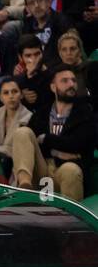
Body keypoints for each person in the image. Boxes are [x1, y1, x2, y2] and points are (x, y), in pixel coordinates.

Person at [11, 67, 93, 200]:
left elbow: (79, 144)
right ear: (53, 87)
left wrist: (45, 139)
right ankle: (24, 185)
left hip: (65, 173)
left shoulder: (85, 113)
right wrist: (58, 151)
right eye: (65, 81)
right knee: (22, 132)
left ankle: (72, 219)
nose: (71, 84)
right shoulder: (42, 113)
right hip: (42, 171)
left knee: (70, 169)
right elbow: (31, 141)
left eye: (73, 81)